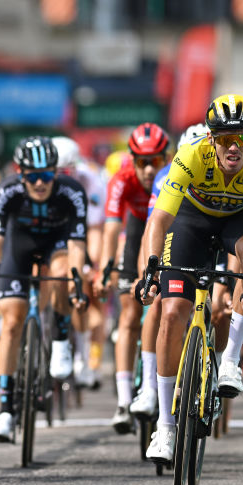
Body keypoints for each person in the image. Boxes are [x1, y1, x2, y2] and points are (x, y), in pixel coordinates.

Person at [138, 95, 243, 464]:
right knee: (171, 313)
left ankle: (231, 359)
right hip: (192, 220)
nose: (234, 146)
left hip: (239, 220)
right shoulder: (190, 155)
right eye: (224, 138)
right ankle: (165, 427)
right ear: (211, 138)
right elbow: (159, 220)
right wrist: (151, 267)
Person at [0, 136, 88, 442]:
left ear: (57, 172)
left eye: (47, 176)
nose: (40, 183)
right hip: (20, 245)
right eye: (32, 176)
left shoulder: (72, 192)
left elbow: (78, 245)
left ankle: (60, 339)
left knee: (61, 273)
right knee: (12, 322)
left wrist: (76, 281)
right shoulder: (8, 190)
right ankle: (5, 409)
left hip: (57, 244)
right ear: (21, 172)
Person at [93, 123, 170, 433]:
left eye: (156, 161)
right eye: (142, 162)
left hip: (165, 230)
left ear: (167, 158)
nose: (150, 169)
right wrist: (105, 268)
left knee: (164, 304)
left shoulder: (173, 175)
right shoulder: (122, 178)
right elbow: (111, 228)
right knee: (128, 314)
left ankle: (158, 382)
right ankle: (125, 401)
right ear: (132, 160)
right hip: (137, 230)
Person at [129, 123, 207, 422]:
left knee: (224, 303)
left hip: (213, 240)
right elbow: (153, 231)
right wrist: (146, 278)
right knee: (159, 303)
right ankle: (149, 385)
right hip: (176, 235)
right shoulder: (167, 177)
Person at [51, 135, 106, 388]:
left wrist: (93, 264)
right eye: (57, 171)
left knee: (78, 284)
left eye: (67, 171)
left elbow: (94, 229)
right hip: (50, 230)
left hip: (78, 233)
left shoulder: (90, 180)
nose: (62, 176)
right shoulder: (41, 180)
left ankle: (83, 356)